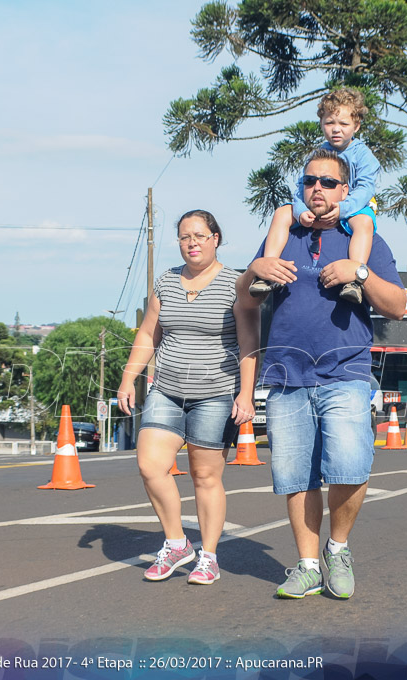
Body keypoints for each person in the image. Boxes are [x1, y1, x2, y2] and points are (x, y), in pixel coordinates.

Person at [237, 148, 407, 599]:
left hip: (346, 371)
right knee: (297, 477)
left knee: (351, 465)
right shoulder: (285, 233)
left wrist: (361, 271)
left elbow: (396, 305)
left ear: (345, 190)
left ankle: (339, 547)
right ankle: (308, 566)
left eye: (328, 182)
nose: (318, 188)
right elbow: (246, 301)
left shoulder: (363, 236)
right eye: (310, 180)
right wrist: (255, 269)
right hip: (287, 374)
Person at [116, 210, 258, 586]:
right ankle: (177, 543)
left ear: (215, 238)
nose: (191, 242)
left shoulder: (236, 284)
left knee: (204, 476)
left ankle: (208, 556)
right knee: (150, 465)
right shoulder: (165, 282)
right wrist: (128, 379)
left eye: (199, 235)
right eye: (183, 237)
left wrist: (246, 394)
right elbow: (148, 335)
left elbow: (249, 343)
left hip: (215, 393)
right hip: (166, 389)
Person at [248, 88, 379, 305]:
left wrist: (344, 208)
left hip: (354, 205)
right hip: (316, 206)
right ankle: (267, 271)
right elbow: (301, 188)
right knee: (282, 213)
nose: (336, 129)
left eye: (344, 124)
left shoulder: (363, 155)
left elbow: (366, 188)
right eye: (329, 123)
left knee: (364, 222)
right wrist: (300, 212)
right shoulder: (317, 154)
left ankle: (354, 280)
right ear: (321, 123)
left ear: (356, 126)